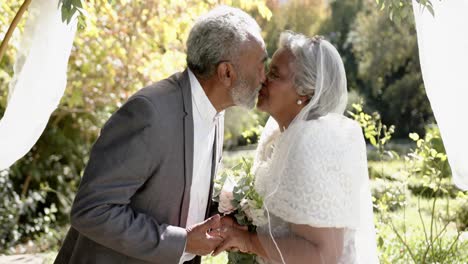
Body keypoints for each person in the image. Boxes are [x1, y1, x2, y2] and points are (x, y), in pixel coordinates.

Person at [54, 6, 268, 264]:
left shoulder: (215, 113)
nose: (263, 77)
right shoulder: (150, 113)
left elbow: (177, 196)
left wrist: (229, 214)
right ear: (226, 73)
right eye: (260, 65)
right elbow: (92, 210)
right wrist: (183, 242)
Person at [210, 31, 379, 263]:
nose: (262, 79)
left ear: (306, 92)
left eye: (275, 74)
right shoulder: (278, 134)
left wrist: (248, 242)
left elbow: (324, 254)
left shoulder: (312, 141)